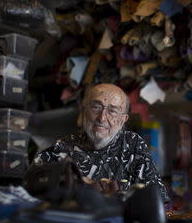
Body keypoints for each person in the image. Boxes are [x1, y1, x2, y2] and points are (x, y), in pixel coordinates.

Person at [33, 83, 170, 203]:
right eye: (96, 107)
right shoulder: (61, 149)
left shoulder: (132, 145)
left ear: (123, 119)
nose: (102, 118)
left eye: (113, 111)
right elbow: (31, 193)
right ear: (83, 110)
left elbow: (158, 199)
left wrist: (120, 196)